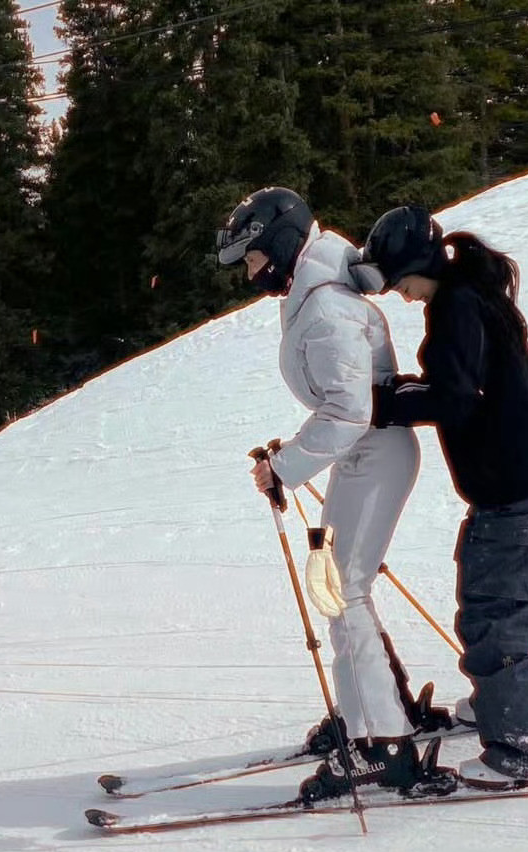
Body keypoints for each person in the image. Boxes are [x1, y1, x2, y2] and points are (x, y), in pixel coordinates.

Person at [216, 187, 454, 799]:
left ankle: (382, 743)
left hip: (372, 453)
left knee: (340, 588)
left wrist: (286, 467)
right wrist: (291, 458)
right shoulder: (316, 285)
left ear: (281, 247)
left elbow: (349, 411)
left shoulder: (323, 307)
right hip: (364, 453)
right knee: (340, 585)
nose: (250, 274)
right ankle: (377, 713)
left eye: (252, 259)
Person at [360, 205, 528, 789]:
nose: (399, 295)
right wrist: (403, 392)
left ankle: (524, 752)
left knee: (493, 617)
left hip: (518, 486)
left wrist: (381, 407)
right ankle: (500, 704)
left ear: (413, 265)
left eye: (396, 280)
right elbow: (459, 387)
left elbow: (456, 398)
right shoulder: (465, 293)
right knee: (496, 605)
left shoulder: (456, 304)